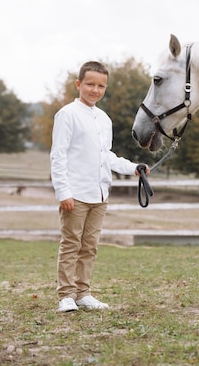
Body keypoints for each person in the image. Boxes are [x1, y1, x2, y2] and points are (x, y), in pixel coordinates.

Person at [50, 61, 149, 313]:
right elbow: (58, 156)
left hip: (100, 193)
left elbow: (108, 156)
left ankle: (83, 293)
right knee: (71, 244)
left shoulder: (104, 119)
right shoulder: (67, 114)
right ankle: (66, 295)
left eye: (101, 86)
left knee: (90, 246)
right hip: (75, 194)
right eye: (90, 84)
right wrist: (63, 192)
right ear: (79, 84)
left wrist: (134, 167)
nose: (95, 90)